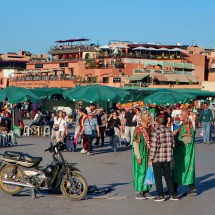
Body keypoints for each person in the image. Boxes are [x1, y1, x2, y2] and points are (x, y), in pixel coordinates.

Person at [149, 116, 178, 202]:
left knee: (158, 178)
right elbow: (173, 145)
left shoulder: (155, 132)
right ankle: (173, 194)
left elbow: (153, 147)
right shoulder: (169, 131)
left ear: (157, 122)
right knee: (168, 176)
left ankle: (160, 195)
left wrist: (150, 158)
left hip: (157, 158)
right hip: (167, 157)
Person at [173, 109, 196, 196]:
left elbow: (188, 139)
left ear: (187, 115)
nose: (180, 116)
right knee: (178, 169)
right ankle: (174, 188)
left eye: (182, 114)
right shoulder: (183, 124)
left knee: (183, 168)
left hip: (185, 151)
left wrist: (178, 142)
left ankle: (191, 188)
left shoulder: (188, 125)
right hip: (181, 151)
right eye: (180, 114)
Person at [132, 114, 153, 200]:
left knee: (149, 172)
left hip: (149, 153)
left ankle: (146, 190)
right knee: (140, 172)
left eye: (149, 115)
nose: (149, 117)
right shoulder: (138, 129)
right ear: (142, 118)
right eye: (147, 115)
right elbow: (135, 143)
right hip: (141, 153)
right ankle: (139, 191)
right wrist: (138, 156)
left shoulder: (150, 128)